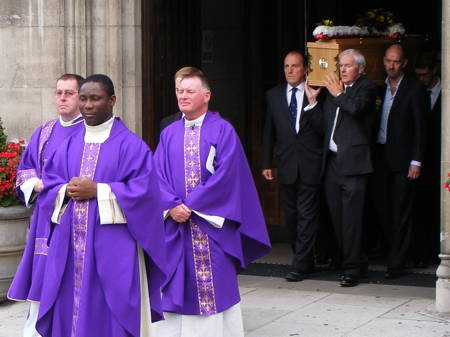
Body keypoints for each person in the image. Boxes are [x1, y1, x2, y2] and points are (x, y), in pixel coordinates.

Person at [32, 74, 166, 336]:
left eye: (96, 98)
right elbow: (49, 184)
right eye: (83, 98)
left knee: (109, 308)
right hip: (69, 245)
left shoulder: (131, 146)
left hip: (114, 246)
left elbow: (146, 194)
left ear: (112, 101)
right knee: (67, 303)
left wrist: (99, 190)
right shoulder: (68, 144)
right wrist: (65, 190)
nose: (88, 105)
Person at [153, 67, 271, 336]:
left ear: (206, 95)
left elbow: (228, 177)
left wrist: (190, 206)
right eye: (179, 91)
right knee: (172, 284)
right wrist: (171, 205)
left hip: (210, 227)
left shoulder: (223, 131)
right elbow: (155, 174)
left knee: (213, 289)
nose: (182, 96)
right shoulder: (168, 133)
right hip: (175, 226)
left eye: (189, 91)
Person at [8, 73, 85, 336]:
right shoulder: (45, 131)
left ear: (81, 97)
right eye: (58, 92)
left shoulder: (91, 131)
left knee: (71, 282)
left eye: (69, 93)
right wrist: (36, 184)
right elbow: (25, 169)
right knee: (42, 280)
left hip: (76, 218)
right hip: (43, 220)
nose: (62, 98)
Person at [306, 49, 377, 287]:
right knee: (337, 219)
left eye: (348, 66)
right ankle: (356, 260)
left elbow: (356, 109)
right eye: (341, 66)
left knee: (352, 220)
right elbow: (321, 127)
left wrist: (337, 93)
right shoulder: (332, 93)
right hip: (333, 164)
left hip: (355, 164)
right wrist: (314, 102)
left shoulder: (366, 88)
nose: (343, 70)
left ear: (360, 69)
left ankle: (352, 269)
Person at [262, 51, 324, 281]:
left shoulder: (316, 92)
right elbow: (269, 130)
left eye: (294, 66)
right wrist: (266, 161)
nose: (289, 70)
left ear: (305, 68)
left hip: (310, 164)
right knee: (292, 216)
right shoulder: (274, 95)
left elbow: (322, 129)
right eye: (286, 66)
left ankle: (300, 264)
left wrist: (313, 103)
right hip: (287, 164)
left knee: (307, 216)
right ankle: (303, 258)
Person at [372, 44, 428, 279]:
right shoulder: (378, 88)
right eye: (388, 61)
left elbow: (420, 128)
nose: (391, 66)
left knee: (401, 211)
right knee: (383, 209)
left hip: (404, 160)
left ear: (404, 63)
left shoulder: (414, 89)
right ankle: (392, 252)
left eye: (396, 62)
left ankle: (397, 263)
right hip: (380, 157)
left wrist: (416, 161)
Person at [412, 51, 441, 267]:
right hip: (421, 159)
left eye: (425, 75)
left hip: (440, 157)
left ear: (434, 71)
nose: (422, 79)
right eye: (418, 75)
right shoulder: (416, 92)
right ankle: (423, 251)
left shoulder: (444, 92)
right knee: (421, 206)